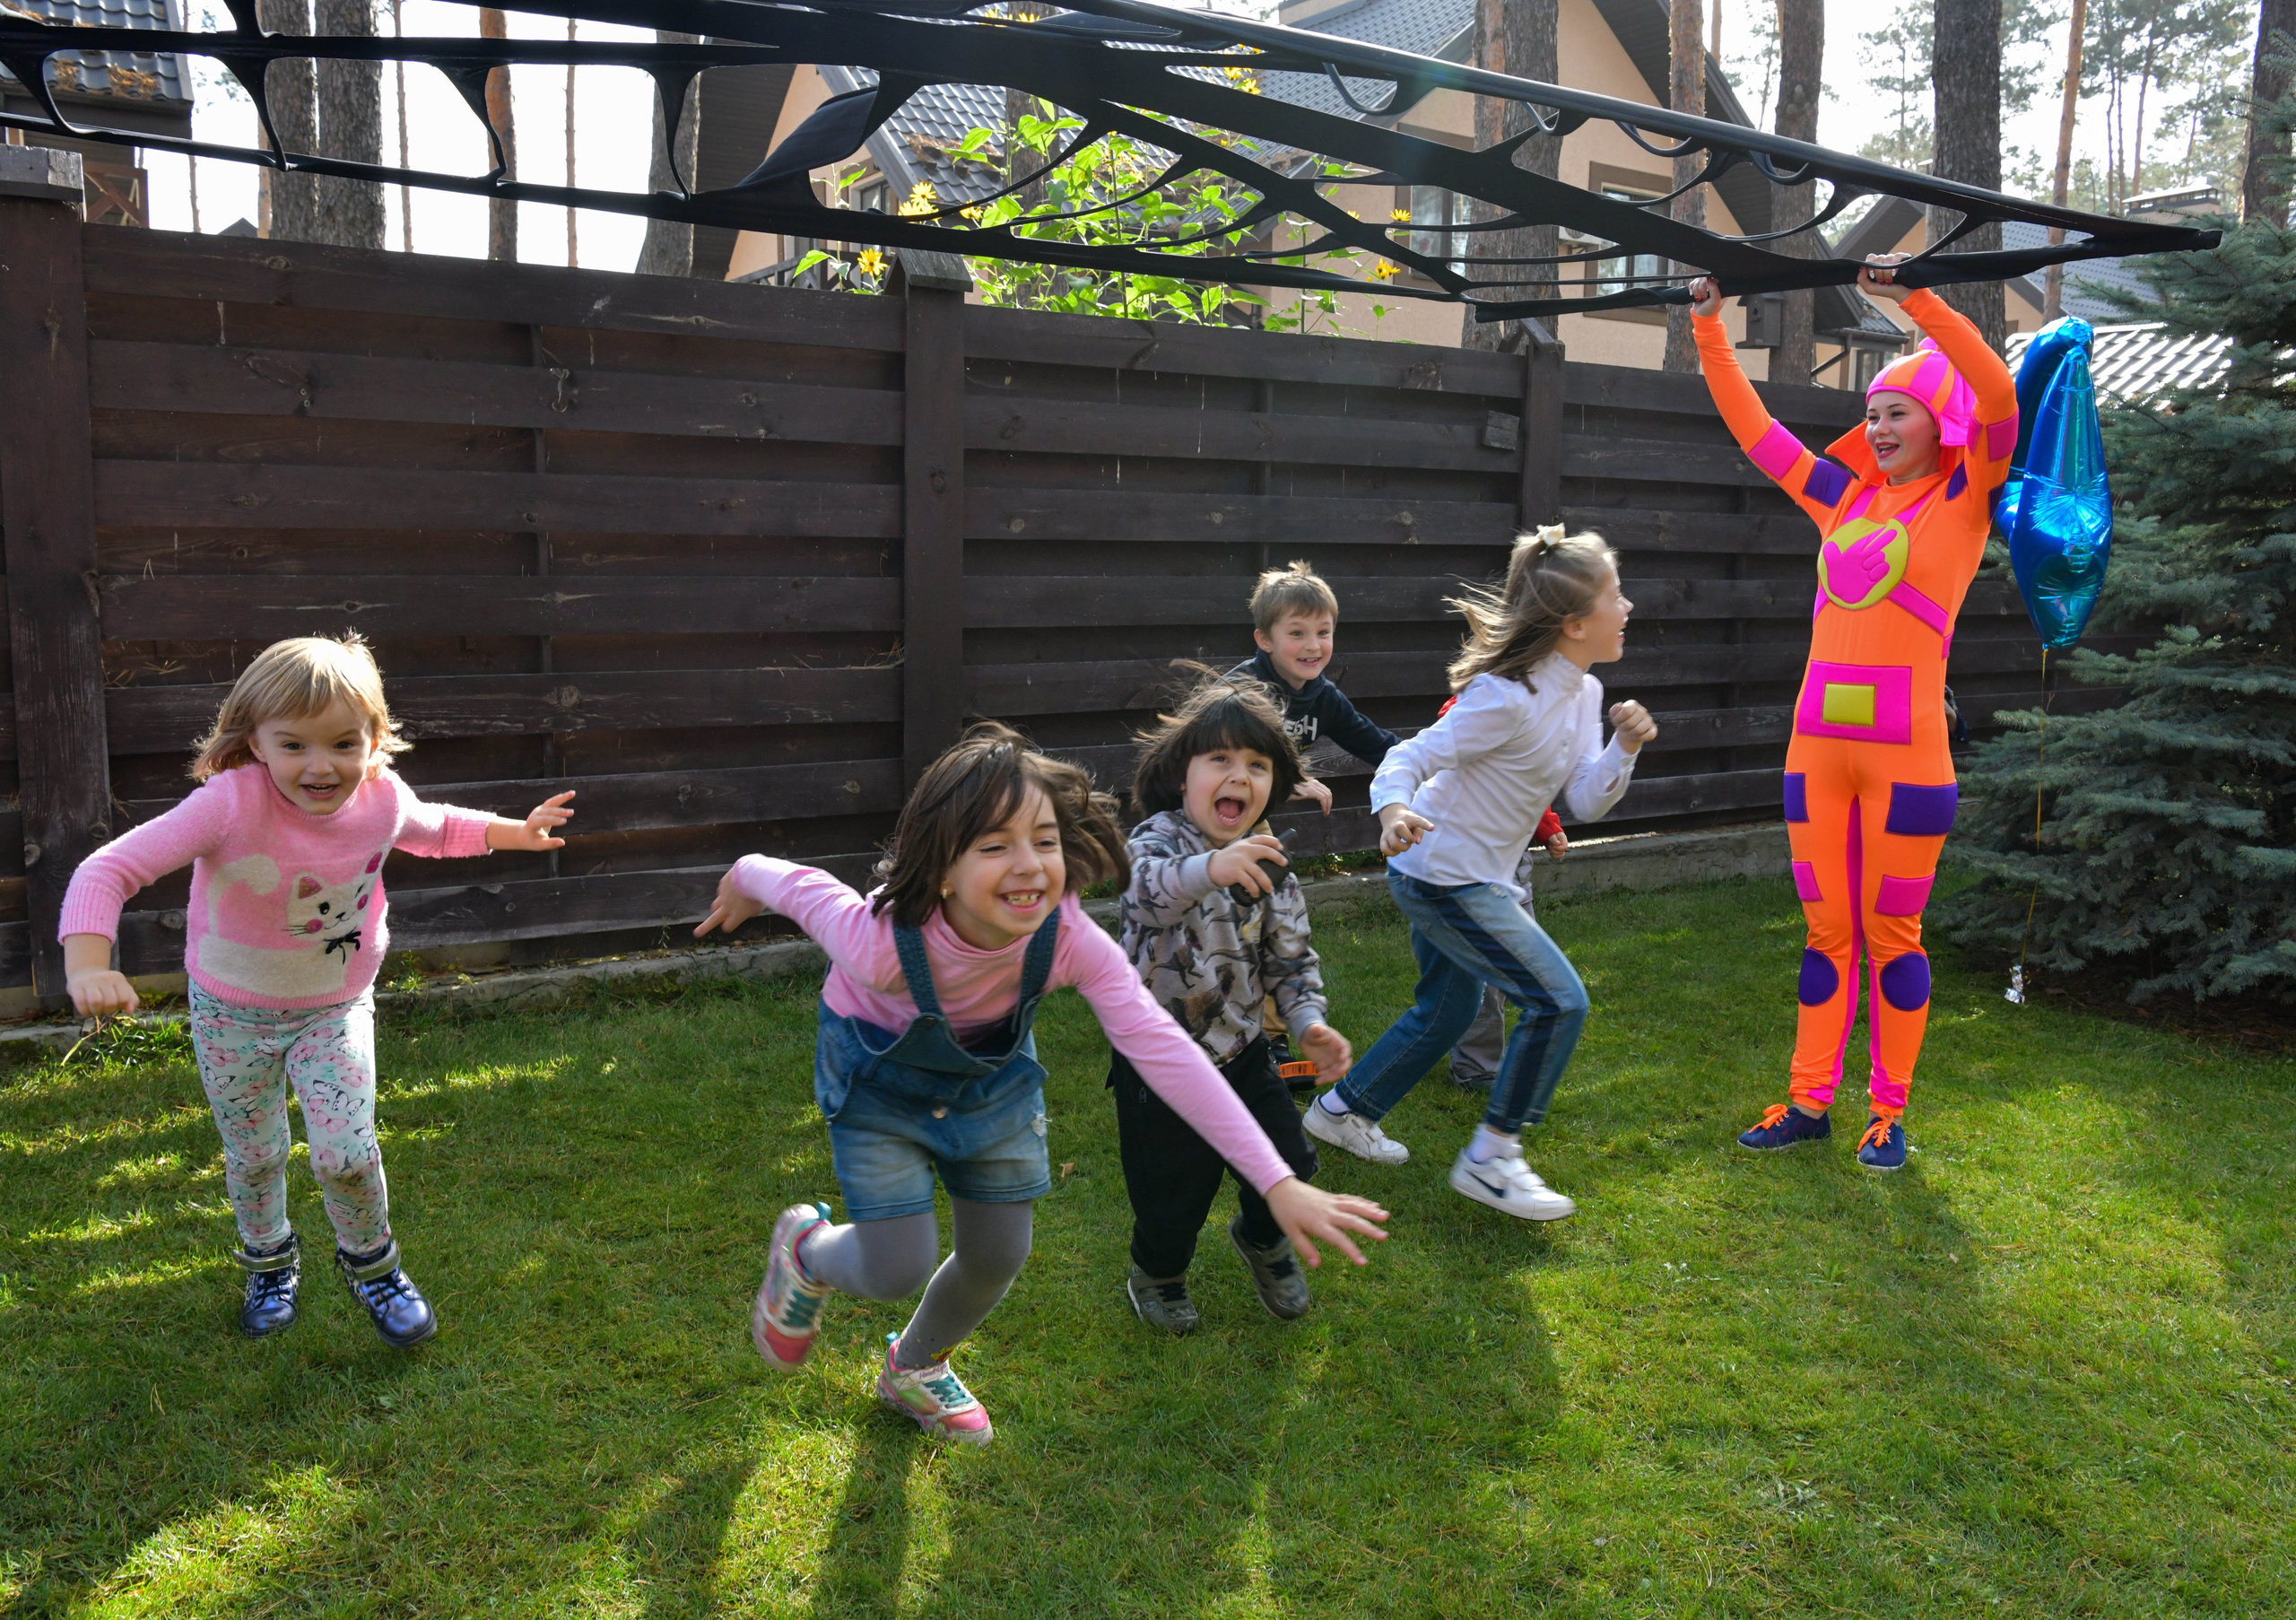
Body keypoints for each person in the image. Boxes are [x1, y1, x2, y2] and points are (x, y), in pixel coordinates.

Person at [700, 722, 1387, 1446]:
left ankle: (914, 1367)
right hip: (879, 1080)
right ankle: (806, 1250)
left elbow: (1168, 1051)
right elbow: (795, 883)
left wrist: (1274, 1181)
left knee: (999, 1254)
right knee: (896, 1266)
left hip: (992, 1079)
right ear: (941, 867)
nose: (1029, 866)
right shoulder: (878, 944)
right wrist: (742, 878)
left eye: (1045, 841)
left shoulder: (1067, 940)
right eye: (995, 846)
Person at [58, 635, 576, 1346]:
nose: (321, 765)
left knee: (348, 1154)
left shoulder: (381, 798)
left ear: (374, 738)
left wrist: (518, 833)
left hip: (334, 1009)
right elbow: (107, 870)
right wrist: (88, 964)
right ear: (256, 742)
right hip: (231, 1015)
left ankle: (372, 1266)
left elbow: (437, 828)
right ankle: (270, 1263)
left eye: (343, 743)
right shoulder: (227, 804)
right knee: (255, 1155)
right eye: (294, 745)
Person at [1687, 257, 2015, 1171]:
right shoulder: (1841, 497)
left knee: (1891, 936)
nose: (1876, 429)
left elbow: (1996, 394)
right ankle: (1806, 1103)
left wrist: (1914, 301)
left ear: (1938, 422)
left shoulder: (1965, 498)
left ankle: (1888, 1111)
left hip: (1910, 766)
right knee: (1827, 935)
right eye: (1871, 415)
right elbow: (1755, 432)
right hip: (1815, 758)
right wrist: (1709, 327)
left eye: (1896, 413)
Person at [1304, 528, 1656, 1221]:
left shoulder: (1584, 692)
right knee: (1558, 1001)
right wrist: (1393, 811)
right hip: (1443, 874)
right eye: (1617, 596)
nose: (1629, 607)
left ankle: (1342, 1110)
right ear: (1574, 622)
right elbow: (1407, 758)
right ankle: (1492, 1158)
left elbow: (1586, 800)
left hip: (1467, 875)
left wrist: (1623, 746)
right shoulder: (1504, 697)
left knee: (1449, 1010)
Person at [1111, 675, 1353, 1334]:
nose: (1238, 776)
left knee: (1290, 1162)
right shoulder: (1157, 842)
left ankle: (1263, 1236)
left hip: (1244, 1048)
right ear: (1181, 775)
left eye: (1257, 765)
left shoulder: (1274, 867)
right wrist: (1212, 869)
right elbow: (1143, 894)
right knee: (1172, 1192)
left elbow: (1290, 961)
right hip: (1159, 1062)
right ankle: (1158, 1274)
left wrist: (1308, 1023)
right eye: (1219, 759)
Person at [1231, 559, 1399, 816]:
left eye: (1323, 633)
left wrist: (1437, 761)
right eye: (1297, 633)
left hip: (1245, 815)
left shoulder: (1325, 699)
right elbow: (1212, 767)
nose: (1313, 646)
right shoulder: (1239, 693)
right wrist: (1284, 782)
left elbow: (1381, 747)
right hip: (1196, 815)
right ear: (1265, 640)